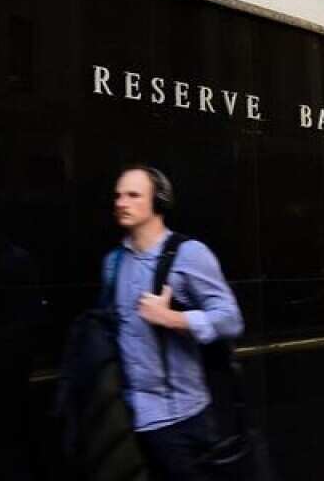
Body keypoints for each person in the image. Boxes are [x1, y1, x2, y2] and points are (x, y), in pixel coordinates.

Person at [107, 165, 243, 481]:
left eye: (132, 195)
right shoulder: (113, 262)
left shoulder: (189, 254)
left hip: (181, 420)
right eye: (117, 195)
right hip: (128, 422)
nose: (121, 202)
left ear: (159, 202)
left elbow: (231, 320)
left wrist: (173, 318)